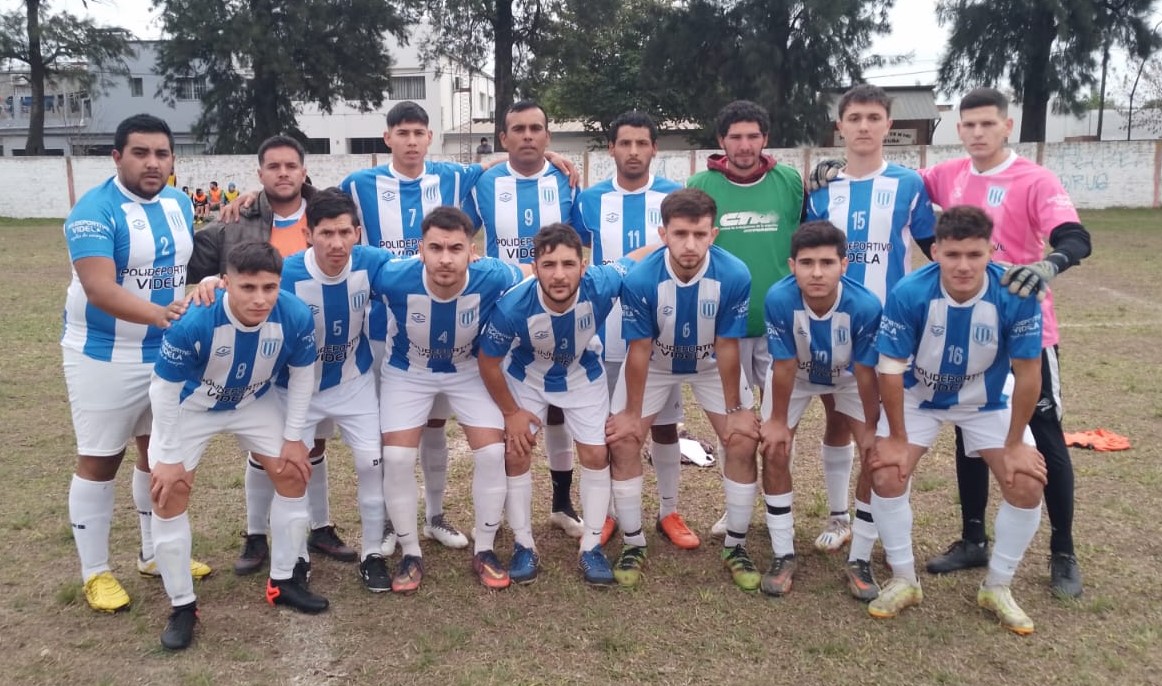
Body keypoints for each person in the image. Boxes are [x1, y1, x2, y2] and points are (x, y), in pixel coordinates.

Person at [917, 88, 1092, 599]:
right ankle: (974, 538)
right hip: (966, 327)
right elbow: (902, 184)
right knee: (968, 428)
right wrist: (834, 172)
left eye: (987, 124)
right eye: (969, 125)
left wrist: (1047, 265)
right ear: (959, 129)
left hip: (1025, 328)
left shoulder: (1035, 179)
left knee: (1044, 433)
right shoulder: (948, 174)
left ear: (1007, 126)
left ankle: (1063, 550)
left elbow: (1075, 237)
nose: (977, 133)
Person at [190, 189, 396, 593]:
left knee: (371, 463)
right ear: (307, 235)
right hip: (293, 387)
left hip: (352, 382)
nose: (336, 243)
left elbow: (419, 271)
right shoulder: (288, 272)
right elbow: (248, 285)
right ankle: (296, 556)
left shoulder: (373, 263)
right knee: (293, 468)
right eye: (326, 233)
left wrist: (473, 262)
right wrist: (213, 283)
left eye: (344, 233)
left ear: (357, 233)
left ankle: (372, 553)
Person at [867, 205, 1047, 635]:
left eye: (974, 254)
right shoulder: (910, 292)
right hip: (920, 396)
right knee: (887, 472)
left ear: (991, 251)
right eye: (952, 255)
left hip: (987, 398)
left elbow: (1028, 374)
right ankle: (904, 579)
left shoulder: (1015, 293)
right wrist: (896, 437)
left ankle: (997, 586)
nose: (963, 266)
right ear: (935, 252)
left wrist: (1015, 443)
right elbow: (889, 369)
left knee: (1025, 482)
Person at [188, 136, 356, 574]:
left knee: (311, 442)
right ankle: (255, 534)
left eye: (291, 166)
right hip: (258, 353)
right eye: (274, 166)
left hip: (310, 349)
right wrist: (208, 282)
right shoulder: (237, 219)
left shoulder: (325, 211)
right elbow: (188, 260)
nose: (283, 173)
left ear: (304, 171)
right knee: (263, 448)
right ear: (259, 173)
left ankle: (320, 526)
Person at [147, 241, 322, 651]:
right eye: (248, 287)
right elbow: (164, 390)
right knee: (169, 492)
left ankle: (283, 580)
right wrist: (169, 457)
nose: (260, 299)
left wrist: (293, 438)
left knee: (294, 473)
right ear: (226, 283)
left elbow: (302, 376)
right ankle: (182, 605)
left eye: (269, 287)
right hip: (192, 406)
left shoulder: (295, 315)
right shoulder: (194, 320)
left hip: (253, 402)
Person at [62, 113, 204, 614]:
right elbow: (99, 289)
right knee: (101, 458)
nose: (152, 163)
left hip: (163, 352)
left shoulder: (179, 203)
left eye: (161, 154)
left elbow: (181, 268)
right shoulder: (93, 210)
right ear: (117, 156)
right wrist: (161, 315)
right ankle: (96, 572)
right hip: (104, 354)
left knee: (158, 453)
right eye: (140, 153)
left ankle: (152, 553)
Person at [804, 84, 936, 589]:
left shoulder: (910, 184)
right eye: (854, 118)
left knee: (876, 432)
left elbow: (935, 249)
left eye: (873, 117)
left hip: (889, 332)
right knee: (837, 418)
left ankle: (870, 522)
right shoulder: (822, 189)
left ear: (888, 125)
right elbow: (807, 251)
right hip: (832, 325)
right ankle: (839, 516)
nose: (863, 126)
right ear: (840, 126)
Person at [478, 224, 655, 586]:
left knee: (596, 454)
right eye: (549, 265)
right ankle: (524, 543)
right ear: (534, 267)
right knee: (516, 452)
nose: (559, 275)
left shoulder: (602, 283)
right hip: (527, 375)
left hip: (581, 373)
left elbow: (634, 258)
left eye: (568, 264)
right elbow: (488, 361)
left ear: (583, 266)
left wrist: (666, 242)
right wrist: (511, 413)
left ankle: (591, 546)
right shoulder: (512, 305)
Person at [605, 188, 760, 590]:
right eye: (680, 234)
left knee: (742, 439)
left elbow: (728, 345)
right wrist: (630, 415)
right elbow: (639, 350)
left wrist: (736, 410)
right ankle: (634, 542)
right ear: (663, 234)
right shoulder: (641, 278)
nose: (690, 244)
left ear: (714, 234)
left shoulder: (735, 274)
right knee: (624, 440)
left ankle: (736, 545)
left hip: (710, 364)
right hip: (656, 363)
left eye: (699, 234)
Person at [371, 206, 526, 592]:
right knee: (397, 457)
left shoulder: (493, 275)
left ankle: (485, 548)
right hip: (408, 371)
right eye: (435, 248)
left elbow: (532, 274)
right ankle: (410, 552)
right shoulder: (392, 276)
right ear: (420, 250)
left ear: (472, 251)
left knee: (492, 453)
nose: (444, 258)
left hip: (468, 370)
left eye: (455, 248)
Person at [571, 111, 692, 549]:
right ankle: (605, 514)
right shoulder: (589, 200)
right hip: (605, 332)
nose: (634, 151)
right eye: (625, 143)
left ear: (655, 148)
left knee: (664, 425)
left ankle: (668, 510)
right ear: (611, 149)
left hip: (660, 332)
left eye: (642, 143)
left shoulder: (675, 196)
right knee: (606, 427)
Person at [465, 100, 585, 538]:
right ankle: (500, 512)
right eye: (518, 129)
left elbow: (581, 240)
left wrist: (555, 160)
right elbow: (459, 229)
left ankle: (561, 503)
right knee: (504, 412)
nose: (528, 136)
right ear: (503, 138)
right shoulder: (483, 181)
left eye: (536, 129)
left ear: (548, 136)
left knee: (558, 410)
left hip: (557, 307)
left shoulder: (567, 181)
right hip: (503, 309)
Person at [686, 100, 804, 537]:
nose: (744, 145)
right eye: (735, 136)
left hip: (779, 328)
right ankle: (735, 508)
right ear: (721, 141)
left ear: (765, 139)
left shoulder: (789, 181)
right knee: (734, 427)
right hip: (725, 331)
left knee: (777, 428)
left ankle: (777, 511)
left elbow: (807, 237)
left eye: (753, 136)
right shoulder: (701, 184)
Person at [757, 221, 883, 599]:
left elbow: (866, 372)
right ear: (791, 265)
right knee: (774, 448)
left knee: (875, 454)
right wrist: (777, 422)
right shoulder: (779, 298)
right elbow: (784, 365)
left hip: (848, 377)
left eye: (827, 263)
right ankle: (783, 553)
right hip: (795, 376)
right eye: (807, 263)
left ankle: (859, 558)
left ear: (844, 265)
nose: (816, 273)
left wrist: (873, 427)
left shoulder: (865, 305)